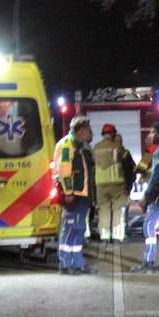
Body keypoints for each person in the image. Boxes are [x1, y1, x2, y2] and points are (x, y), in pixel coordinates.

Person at [131, 122, 159, 273]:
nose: (150, 135)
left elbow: (155, 176)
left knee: (149, 225)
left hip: (157, 193)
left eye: (152, 132)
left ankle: (148, 262)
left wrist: (146, 197)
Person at [53, 116, 96, 274]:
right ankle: (65, 264)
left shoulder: (78, 145)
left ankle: (77, 262)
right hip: (74, 194)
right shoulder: (67, 145)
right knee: (70, 228)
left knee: (78, 228)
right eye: (87, 130)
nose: (89, 133)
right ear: (81, 130)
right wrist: (69, 192)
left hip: (81, 193)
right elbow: (64, 171)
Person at [93, 123, 132, 245]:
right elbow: (127, 162)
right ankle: (117, 236)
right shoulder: (118, 147)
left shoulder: (96, 147)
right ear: (113, 133)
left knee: (103, 210)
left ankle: (104, 237)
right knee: (117, 210)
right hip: (117, 184)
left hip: (100, 185)